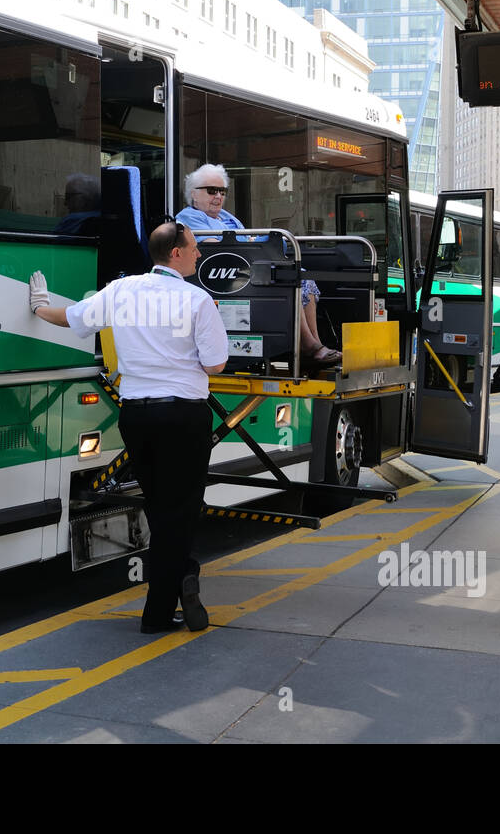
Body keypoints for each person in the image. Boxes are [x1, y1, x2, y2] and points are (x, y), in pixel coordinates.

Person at [30, 221, 228, 634]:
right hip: (183, 415)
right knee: (182, 512)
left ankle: (181, 579)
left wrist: (37, 307)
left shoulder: (122, 291)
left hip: (137, 415)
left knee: (158, 506)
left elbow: (70, 318)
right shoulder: (198, 300)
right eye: (193, 248)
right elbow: (215, 365)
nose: (197, 254)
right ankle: (160, 609)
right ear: (175, 253)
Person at [176, 163, 340, 368]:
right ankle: (310, 346)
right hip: (225, 272)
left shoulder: (226, 217)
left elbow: (247, 239)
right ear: (194, 194)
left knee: (301, 275)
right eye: (211, 191)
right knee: (286, 277)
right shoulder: (189, 217)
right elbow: (215, 246)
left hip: (245, 264)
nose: (218, 196)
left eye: (222, 191)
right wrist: (251, 241)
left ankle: (313, 343)